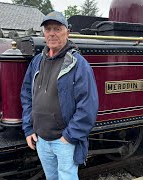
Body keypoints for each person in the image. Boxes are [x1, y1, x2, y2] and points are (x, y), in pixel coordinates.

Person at [20, 11, 99, 180]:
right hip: (41, 139)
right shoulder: (36, 62)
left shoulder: (78, 64)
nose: (52, 33)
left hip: (64, 140)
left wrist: (69, 137)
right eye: (48, 29)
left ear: (67, 32)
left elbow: (88, 106)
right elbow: (27, 95)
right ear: (43, 33)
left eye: (57, 28)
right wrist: (28, 128)